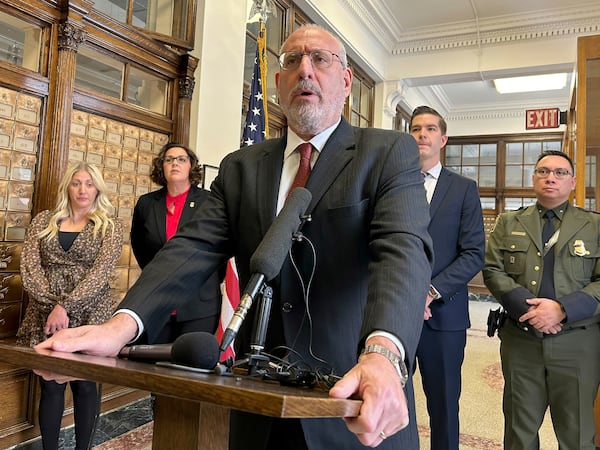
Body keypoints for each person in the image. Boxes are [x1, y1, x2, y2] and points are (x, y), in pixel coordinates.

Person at [36, 24, 433, 449]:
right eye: (293, 61)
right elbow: (191, 248)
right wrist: (120, 326)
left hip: (353, 403)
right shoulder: (241, 166)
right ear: (278, 82)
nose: (306, 71)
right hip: (256, 403)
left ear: (347, 81)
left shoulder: (387, 152)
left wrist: (383, 354)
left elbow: (403, 251)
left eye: (320, 59)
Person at [483, 150, 600, 450]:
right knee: (519, 432)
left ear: (573, 181)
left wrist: (561, 310)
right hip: (522, 340)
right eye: (543, 171)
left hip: (577, 342)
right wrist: (531, 310)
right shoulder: (509, 222)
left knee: (576, 434)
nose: (551, 178)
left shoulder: (595, 226)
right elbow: (492, 269)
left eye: (560, 173)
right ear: (533, 178)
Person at [17, 161, 123, 450]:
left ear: (97, 188)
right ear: (67, 186)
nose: (82, 189)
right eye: (77, 182)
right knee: (50, 385)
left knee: (86, 384)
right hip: (44, 313)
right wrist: (50, 305)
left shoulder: (110, 226)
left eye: (89, 183)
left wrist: (66, 307)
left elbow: (101, 273)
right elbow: (30, 265)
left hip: (91, 313)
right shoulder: (44, 221)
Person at [409, 106, 485, 450]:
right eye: (415, 129)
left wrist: (429, 292)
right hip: (395, 315)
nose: (422, 134)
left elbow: (473, 253)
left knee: (443, 407)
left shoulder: (463, 189)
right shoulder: (394, 182)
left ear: (443, 139)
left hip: (443, 316)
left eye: (429, 129)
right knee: (389, 400)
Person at [131, 142, 223, 344]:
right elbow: (139, 246)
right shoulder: (146, 204)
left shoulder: (209, 202)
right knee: (153, 367)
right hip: (157, 300)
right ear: (161, 167)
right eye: (169, 159)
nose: (175, 163)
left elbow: (219, 250)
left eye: (181, 159)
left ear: (191, 166)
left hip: (199, 303)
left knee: (189, 368)